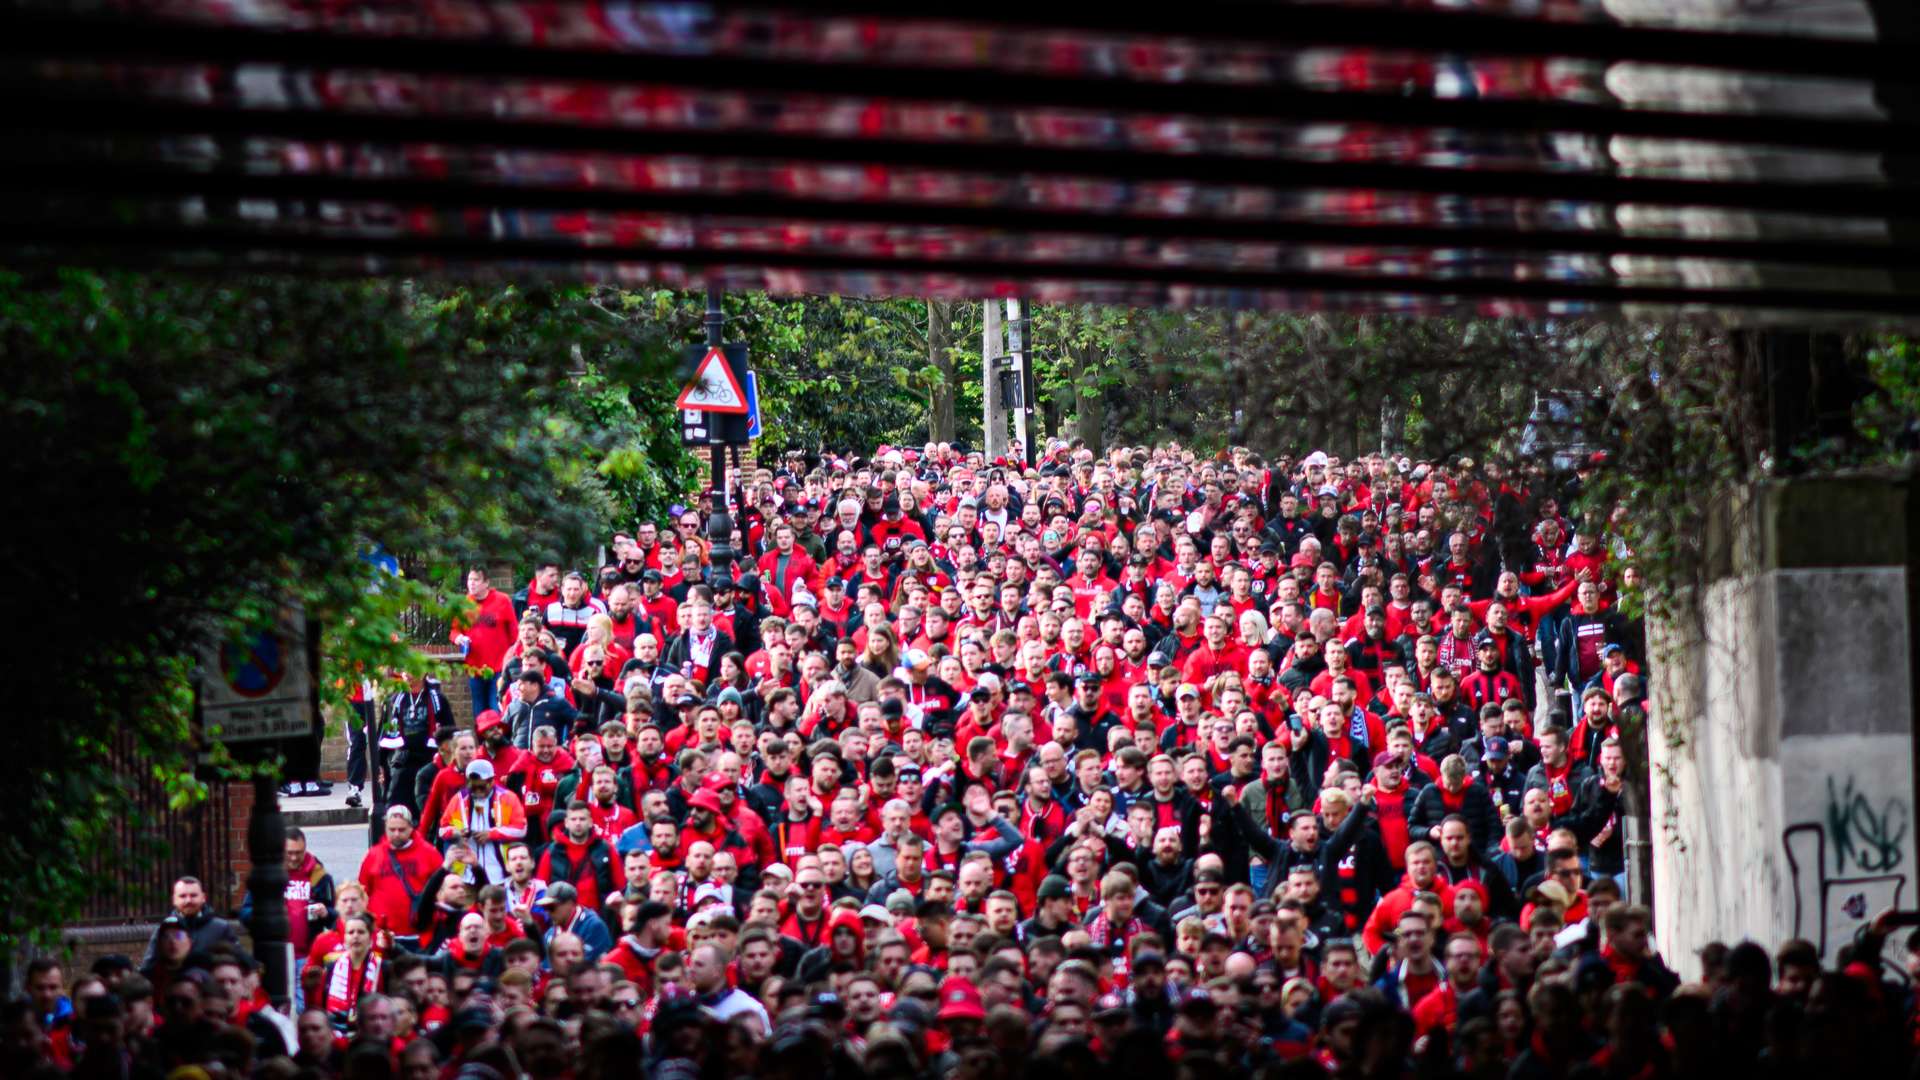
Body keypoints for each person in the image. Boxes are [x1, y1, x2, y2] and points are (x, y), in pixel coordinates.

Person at [357, 806, 441, 943]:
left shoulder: (429, 853)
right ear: (385, 828)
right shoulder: (373, 854)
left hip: (419, 935)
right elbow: (363, 891)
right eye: (392, 830)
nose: (396, 834)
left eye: (401, 830)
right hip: (383, 936)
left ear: (411, 828)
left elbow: (442, 889)